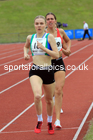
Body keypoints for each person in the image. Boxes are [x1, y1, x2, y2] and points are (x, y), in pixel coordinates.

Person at [24, 15, 59, 135]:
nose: (39, 26)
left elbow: (57, 55)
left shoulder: (49, 37)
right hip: (35, 70)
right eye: (37, 23)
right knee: (38, 96)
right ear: (34, 25)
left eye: (41, 23)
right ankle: (39, 120)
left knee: (49, 100)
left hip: (48, 70)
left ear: (45, 25)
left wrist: (44, 48)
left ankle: (49, 122)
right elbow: (25, 46)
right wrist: (26, 54)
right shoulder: (30, 37)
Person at [45, 12, 71, 129]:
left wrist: (68, 49)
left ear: (55, 21)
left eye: (52, 19)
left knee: (59, 89)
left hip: (59, 62)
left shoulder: (60, 32)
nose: (50, 21)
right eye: (48, 19)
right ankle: (57, 99)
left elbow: (68, 41)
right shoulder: (43, 34)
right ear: (46, 22)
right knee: (51, 93)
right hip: (47, 63)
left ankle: (57, 121)